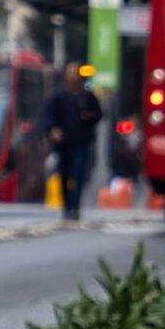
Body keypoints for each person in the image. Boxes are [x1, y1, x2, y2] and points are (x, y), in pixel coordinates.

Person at [42, 62, 103, 220]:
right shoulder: (58, 95)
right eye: (70, 73)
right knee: (64, 174)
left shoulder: (87, 95)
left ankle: (74, 207)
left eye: (75, 73)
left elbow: (99, 114)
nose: (73, 76)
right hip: (63, 144)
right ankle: (66, 206)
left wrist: (89, 117)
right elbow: (47, 117)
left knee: (78, 174)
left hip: (81, 142)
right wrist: (53, 130)